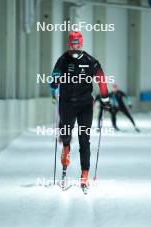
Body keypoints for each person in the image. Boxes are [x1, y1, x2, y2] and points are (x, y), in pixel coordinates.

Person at [50, 31, 110, 190]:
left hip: (85, 106)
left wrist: (105, 99)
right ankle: (66, 150)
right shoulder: (63, 60)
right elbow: (53, 78)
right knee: (65, 136)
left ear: (81, 44)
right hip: (67, 104)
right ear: (68, 44)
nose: (74, 47)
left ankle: (84, 174)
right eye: (71, 44)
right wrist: (54, 84)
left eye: (76, 44)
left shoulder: (91, 61)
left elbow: (101, 80)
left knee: (84, 139)